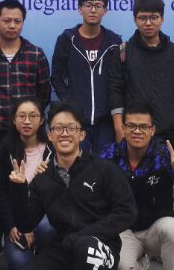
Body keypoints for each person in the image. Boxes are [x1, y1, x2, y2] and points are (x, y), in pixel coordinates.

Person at [9, 101, 137, 270]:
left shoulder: (104, 169)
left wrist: (82, 236)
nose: (64, 134)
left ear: (82, 135)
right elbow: (26, 224)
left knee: (86, 248)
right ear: (50, 135)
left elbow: (127, 212)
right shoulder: (42, 179)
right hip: (64, 247)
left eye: (71, 128)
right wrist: (19, 188)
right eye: (58, 128)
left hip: (101, 244)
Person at [101, 104, 174, 270]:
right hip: (124, 231)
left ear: (152, 130)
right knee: (120, 264)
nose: (137, 131)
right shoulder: (110, 155)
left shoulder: (164, 154)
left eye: (143, 126)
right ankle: (141, 262)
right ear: (123, 128)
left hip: (156, 229)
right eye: (131, 126)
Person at [51, 0, 124, 152]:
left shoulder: (114, 42)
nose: (93, 10)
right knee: (77, 163)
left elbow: (118, 80)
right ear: (80, 9)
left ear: (105, 11)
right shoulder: (67, 40)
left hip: (106, 121)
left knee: (105, 163)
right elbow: (56, 76)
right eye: (88, 5)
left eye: (98, 6)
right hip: (76, 120)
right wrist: (69, 101)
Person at [110, 0, 174, 146]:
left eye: (154, 17)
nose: (148, 23)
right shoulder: (123, 51)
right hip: (132, 130)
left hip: (166, 131)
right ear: (135, 20)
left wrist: (173, 116)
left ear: (162, 19)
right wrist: (119, 128)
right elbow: (115, 90)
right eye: (142, 18)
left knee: (167, 163)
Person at [0, 96, 56, 269]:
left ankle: (46, 252)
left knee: (47, 228)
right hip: (16, 220)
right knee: (19, 262)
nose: (27, 121)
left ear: (41, 120)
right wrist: (12, 225)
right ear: (14, 120)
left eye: (33, 116)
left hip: (44, 219)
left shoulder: (52, 150)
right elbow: (1, 193)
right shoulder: (5, 150)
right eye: (21, 116)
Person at [0, 0, 52, 147]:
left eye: (17, 21)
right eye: (7, 21)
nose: (12, 25)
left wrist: (29, 117)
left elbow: (44, 94)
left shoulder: (36, 54)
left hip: (29, 132)